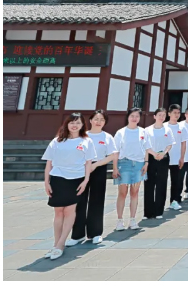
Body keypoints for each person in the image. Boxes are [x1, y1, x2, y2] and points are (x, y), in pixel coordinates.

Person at [42, 113, 97, 260]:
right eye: (72, 122)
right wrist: (46, 182)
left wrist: (85, 181)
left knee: (69, 211)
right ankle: (56, 244)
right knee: (58, 212)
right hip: (57, 178)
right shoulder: (57, 141)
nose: (74, 125)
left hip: (76, 179)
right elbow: (49, 163)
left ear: (82, 125)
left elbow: (88, 163)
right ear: (66, 124)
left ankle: (61, 244)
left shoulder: (86, 141)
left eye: (78, 123)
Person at [68, 110, 117, 247]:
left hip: (98, 168)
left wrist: (95, 165)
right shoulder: (83, 136)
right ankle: (77, 235)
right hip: (81, 169)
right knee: (79, 201)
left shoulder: (107, 137)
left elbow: (112, 155)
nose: (98, 122)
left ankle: (95, 233)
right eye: (96, 119)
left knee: (97, 200)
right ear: (90, 120)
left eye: (102, 119)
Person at [113, 107, 153, 230]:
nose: (134, 118)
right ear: (128, 117)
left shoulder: (143, 132)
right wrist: (115, 167)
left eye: (137, 116)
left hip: (139, 164)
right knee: (122, 193)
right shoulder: (121, 132)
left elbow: (146, 148)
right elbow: (116, 151)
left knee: (135, 192)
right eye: (132, 116)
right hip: (124, 163)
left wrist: (146, 163)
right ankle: (120, 220)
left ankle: (133, 219)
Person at [144, 108, 176, 219]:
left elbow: (170, 144)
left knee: (161, 183)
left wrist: (163, 153)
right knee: (149, 184)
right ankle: (148, 212)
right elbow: (145, 145)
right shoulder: (147, 130)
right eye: (159, 115)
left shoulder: (167, 129)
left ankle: (159, 211)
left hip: (163, 157)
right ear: (154, 116)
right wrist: (153, 153)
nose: (161, 117)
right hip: (151, 157)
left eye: (163, 115)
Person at [166, 104, 187, 210]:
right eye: (174, 113)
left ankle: (174, 201)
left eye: (178, 113)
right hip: (164, 158)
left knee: (176, 181)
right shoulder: (164, 126)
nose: (177, 115)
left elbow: (183, 144)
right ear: (169, 114)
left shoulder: (182, 127)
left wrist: (182, 157)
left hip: (176, 158)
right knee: (162, 181)